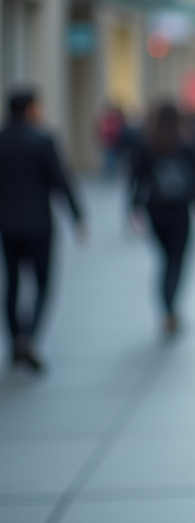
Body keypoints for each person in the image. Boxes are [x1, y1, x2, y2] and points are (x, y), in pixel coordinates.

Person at [0, 89, 86, 371]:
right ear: (30, 109)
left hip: (8, 226)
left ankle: (16, 339)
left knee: (12, 283)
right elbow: (61, 181)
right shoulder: (42, 140)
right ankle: (29, 337)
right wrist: (78, 217)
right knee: (42, 285)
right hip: (38, 226)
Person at [129, 103, 195, 336]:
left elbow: (136, 179)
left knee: (164, 261)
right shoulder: (185, 143)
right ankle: (171, 309)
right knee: (177, 262)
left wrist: (134, 208)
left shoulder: (147, 144)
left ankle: (167, 308)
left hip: (156, 209)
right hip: (180, 210)